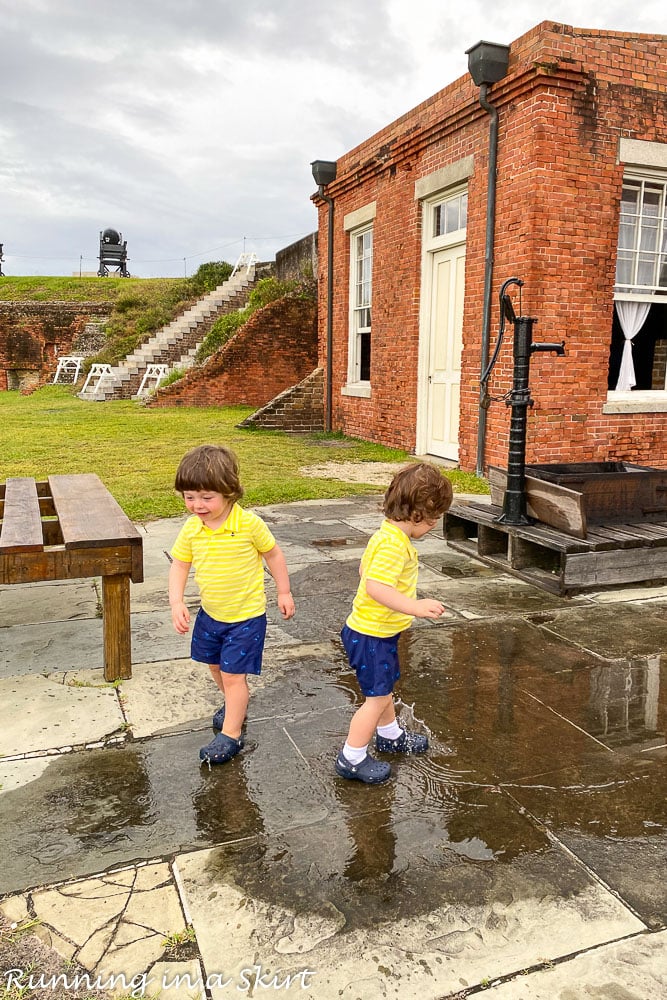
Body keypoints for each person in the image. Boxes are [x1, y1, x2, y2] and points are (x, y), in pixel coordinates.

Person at [168, 444, 295, 765]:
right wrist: (176, 601)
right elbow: (180, 564)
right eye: (189, 497)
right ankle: (234, 704)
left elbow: (273, 554)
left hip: (246, 618)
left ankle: (231, 734)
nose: (197, 505)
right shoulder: (192, 528)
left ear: (230, 492)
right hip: (210, 616)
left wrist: (284, 591)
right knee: (215, 667)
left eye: (206, 497)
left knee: (234, 675)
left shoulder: (249, 525)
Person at [336, 462, 453, 784]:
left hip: (374, 632)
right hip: (371, 636)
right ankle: (352, 757)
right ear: (417, 514)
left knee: (383, 690)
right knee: (374, 700)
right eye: (433, 519)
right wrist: (413, 606)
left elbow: (364, 572)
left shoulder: (385, 535)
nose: (433, 526)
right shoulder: (392, 545)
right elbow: (375, 586)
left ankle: (390, 735)